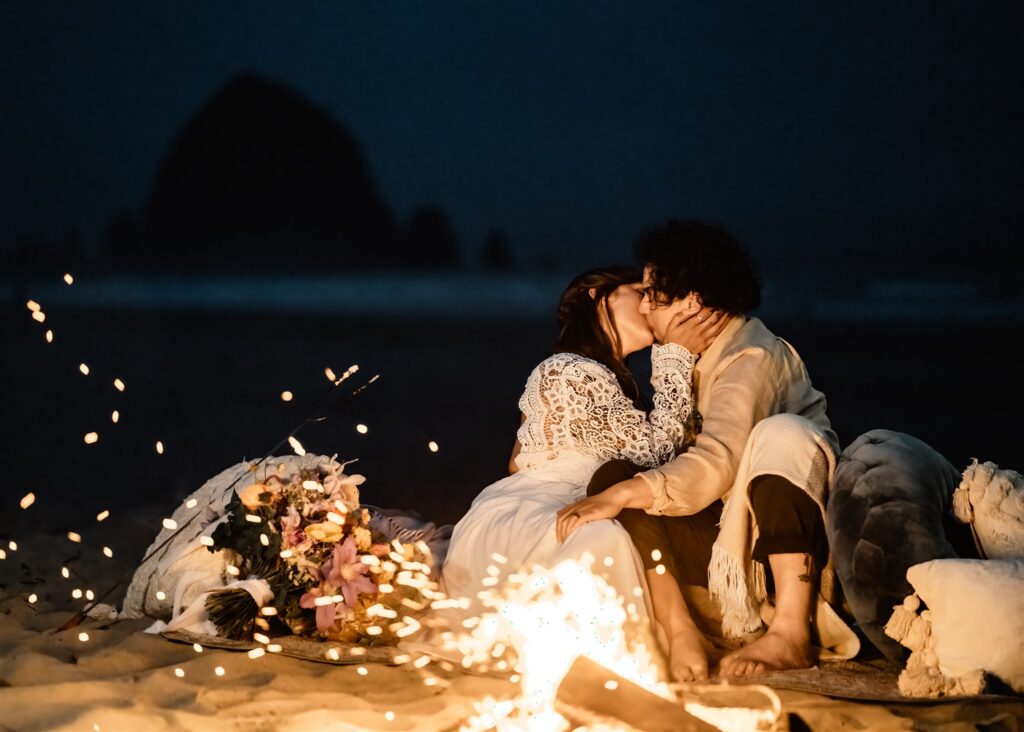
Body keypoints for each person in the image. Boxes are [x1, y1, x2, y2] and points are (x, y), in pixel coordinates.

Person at [557, 220, 856, 682]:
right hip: (725, 534)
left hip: (784, 540)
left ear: (691, 301)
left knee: (782, 433)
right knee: (617, 475)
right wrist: (617, 488)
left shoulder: (750, 354)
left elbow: (718, 460)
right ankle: (681, 631)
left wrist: (622, 496)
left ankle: (792, 630)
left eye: (652, 291)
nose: (641, 303)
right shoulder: (692, 355)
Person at [441, 265, 725, 634]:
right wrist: (675, 356)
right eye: (640, 293)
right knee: (604, 540)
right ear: (597, 295)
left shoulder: (600, 379)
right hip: (539, 509)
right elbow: (655, 453)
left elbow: (516, 459)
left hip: (560, 501)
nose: (647, 308)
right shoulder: (567, 368)